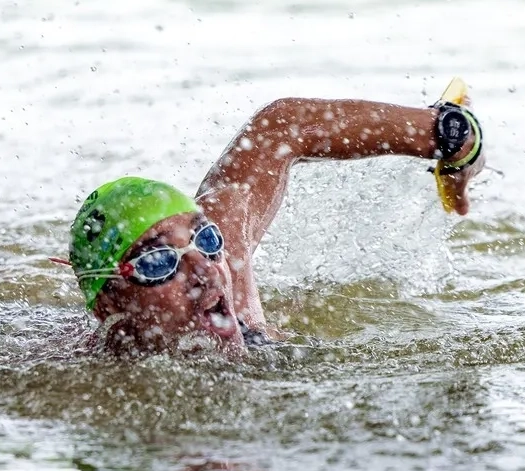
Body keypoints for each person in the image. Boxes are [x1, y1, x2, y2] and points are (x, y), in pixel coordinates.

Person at [58, 89, 485, 354]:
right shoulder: (74, 384)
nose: (205, 269)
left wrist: (449, 135)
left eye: (205, 238)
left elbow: (279, 127)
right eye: (158, 263)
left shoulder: (228, 284)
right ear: (108, 303)